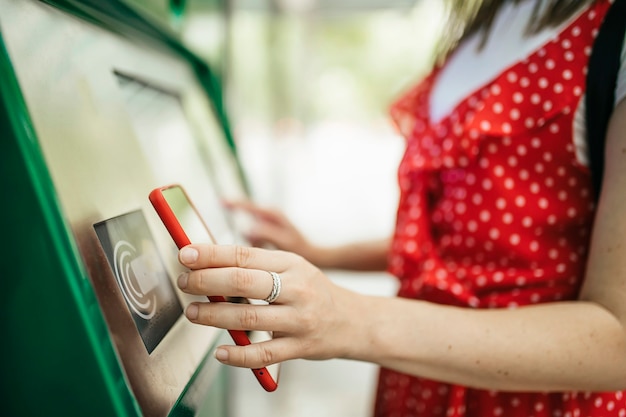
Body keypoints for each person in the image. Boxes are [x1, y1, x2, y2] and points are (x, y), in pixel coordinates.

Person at [175, 0, 626, 415]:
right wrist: (323, 254)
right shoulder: (486, 25)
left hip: (527, 402)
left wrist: (351, 317)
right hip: (416, 382)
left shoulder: (611, 28)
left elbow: (617, 338)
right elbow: (460, 245)